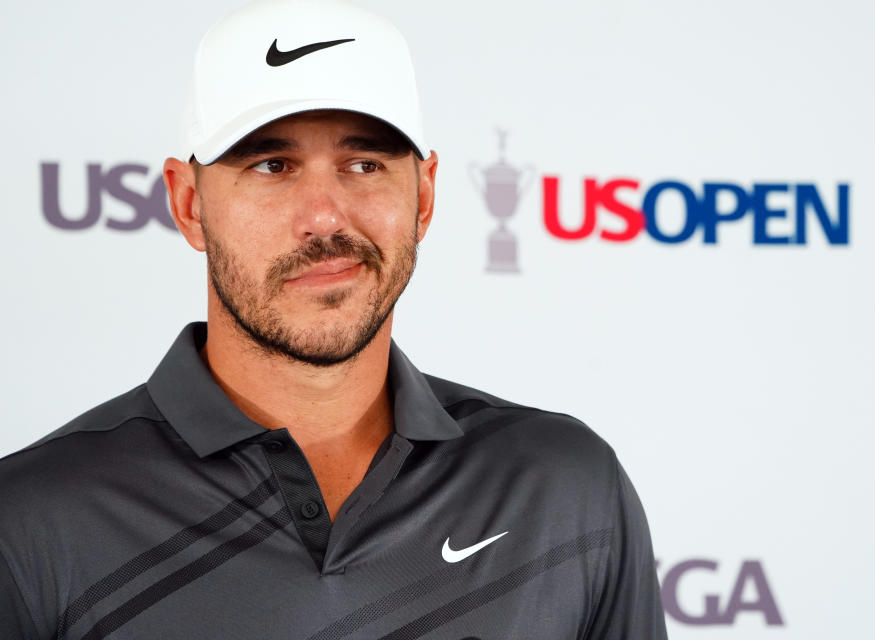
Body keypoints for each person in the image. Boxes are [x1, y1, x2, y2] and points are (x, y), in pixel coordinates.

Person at [0, 1, 667, 638]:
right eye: (271, 164)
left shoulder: (563, 490)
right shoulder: (30, 517)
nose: (324, 216)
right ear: (188, 204)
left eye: (364, 163)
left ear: (424, 196)